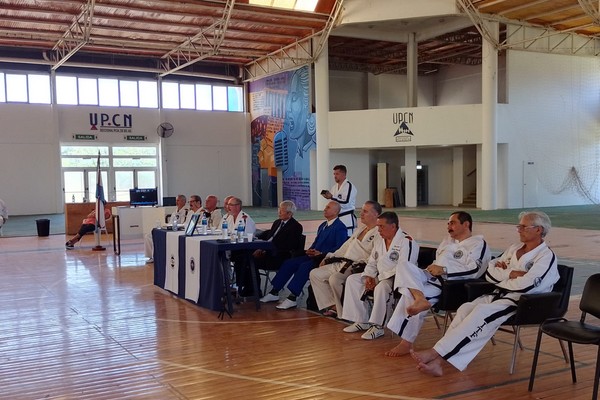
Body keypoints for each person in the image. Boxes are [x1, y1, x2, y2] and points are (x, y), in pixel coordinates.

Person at [411, 211, 559, 377]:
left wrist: (503, 274)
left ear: (539, 230)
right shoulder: (514, 248)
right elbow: (490, 272)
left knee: (481, 314)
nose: (519, 229)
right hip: (499, 294)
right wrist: (511, 273)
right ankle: (439, 359)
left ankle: (436, 356)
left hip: (525, 302)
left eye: (523, 226)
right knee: (465, 309)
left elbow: (526, 285)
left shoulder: (546, 257)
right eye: (519, 226)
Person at [385, 211, 492, 357]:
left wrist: (444, 270)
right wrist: (433, 268)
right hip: (430, 276)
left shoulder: (478, 243)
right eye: (448, 223)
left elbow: (475, 269)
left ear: (466, 224)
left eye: (452, 223)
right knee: (403, 266)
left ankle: (406, 342)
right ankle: (419, 298)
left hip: (451, 285)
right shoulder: (448, 241)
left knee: (408, 294)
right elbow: (437, 261)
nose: (449, 226)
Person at [341, 211, 419, 340]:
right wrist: (369, 277)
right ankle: (361, 320)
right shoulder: (380, 240)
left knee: (382, 287)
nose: (378, 230)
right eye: (378, 226)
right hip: (380, 275)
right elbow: (372, 262)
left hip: (399, 279)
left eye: (381, 226)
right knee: (353, 280)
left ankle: (378, 326)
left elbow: (406, 268)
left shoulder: (406, 241)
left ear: (393, 226)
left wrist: (379, 279)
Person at [260, 201, 348, 310]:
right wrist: (310, 250)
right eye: (325, 207)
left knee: (304, 267)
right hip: (313, 255)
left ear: (336, 211)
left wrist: (321, 254)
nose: (325, 209)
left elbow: (340, 248)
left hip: (324, 258)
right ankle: (274, 291)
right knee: (289, 263)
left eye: (328, 207)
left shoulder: (340, 227)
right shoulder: (323, 225)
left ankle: (292, 297)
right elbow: (316, 242)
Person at [309, 200, 382, 318]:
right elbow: (345, 247)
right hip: (342, 262)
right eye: (362, 211)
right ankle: (333, 306)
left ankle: (343, 313)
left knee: (334, 279)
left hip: (356, 267)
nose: (361, 214)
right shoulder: (360, 230)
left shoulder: (379, 233)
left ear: (376, 214)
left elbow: (374, 256)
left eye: (365, 211)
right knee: (315, 274)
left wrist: (364, 267)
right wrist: (329, 257)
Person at [253, 200, 304, 271]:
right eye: (279, 209)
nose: (279, 212)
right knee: (245, 257)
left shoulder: (295, 226)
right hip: (267, 250)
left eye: (282, 211)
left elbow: (290, 245)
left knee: (250, 262)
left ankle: (255, 281)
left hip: (278, 256)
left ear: (289, 213)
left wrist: (265, 250)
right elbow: (269, 236)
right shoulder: (277, 222)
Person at [226, 197, 258, 296]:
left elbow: (247, 238)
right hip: (231, 245)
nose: (228, 207)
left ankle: (239, 286)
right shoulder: (230, 218)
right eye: (228, 205)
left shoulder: (245, 219)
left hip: (243, 249)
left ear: (237, 206)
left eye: (230, 205)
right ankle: (223, 283)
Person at [144, 194, 188, 263]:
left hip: (177, 231)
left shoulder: (186, 211)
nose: (176, 202)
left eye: (178, 200)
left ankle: (156, 256)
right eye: (176, 200)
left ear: (183, 201)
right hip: (170, 229)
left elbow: (183, 224)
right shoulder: (175, 211)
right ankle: (151, 256)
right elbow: (170, 222)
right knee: (148, 236)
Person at [321, 165, 357, 236]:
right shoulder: (334, 187)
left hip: (346, 218)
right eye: (334, 174)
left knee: (346, 242)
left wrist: (332, 197)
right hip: (336, 218)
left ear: (344, 174)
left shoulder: (349, 186)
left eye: (337, 174)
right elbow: (333, 203)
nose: (335, 176)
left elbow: (346, 202)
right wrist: (329, 197)